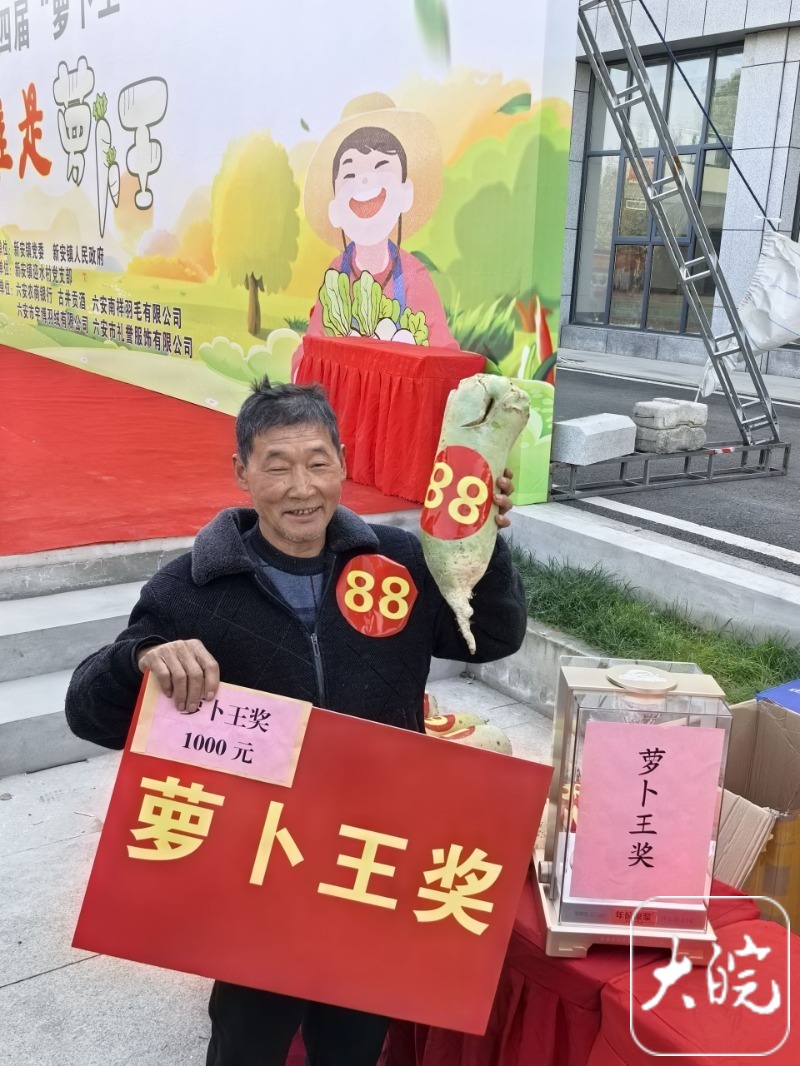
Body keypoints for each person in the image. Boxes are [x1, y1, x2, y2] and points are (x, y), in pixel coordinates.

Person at [65, 378, 527, 1066]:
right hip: (261, 869)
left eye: (317, 462)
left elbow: (490, 637)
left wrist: (481, 545)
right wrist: (140, 659)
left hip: (370, 861)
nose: (301, 488)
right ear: (242, 472)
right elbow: (89, 714)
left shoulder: (398, 562)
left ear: (343, 463)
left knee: (354, 1040)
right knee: (247, 1039)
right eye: (277, 465)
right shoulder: (192, 589)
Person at [303, 93, 457, 349]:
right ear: (335, 210)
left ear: (406, 194)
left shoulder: (414, 277)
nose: (365, 180)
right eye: (350, 173)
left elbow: (443, 351)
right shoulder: (336, 274)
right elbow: (312, 345)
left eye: (381, 166)